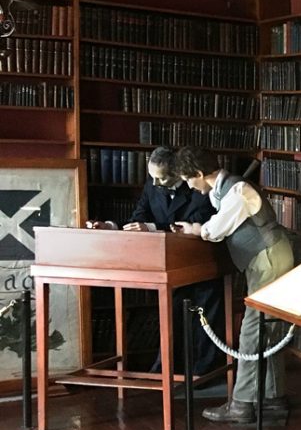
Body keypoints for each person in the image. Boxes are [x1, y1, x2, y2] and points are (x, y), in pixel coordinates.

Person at [173, 146, 293, 423]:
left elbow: (214, 231)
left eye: (189, 180)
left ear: (200, 174)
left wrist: (195, 229)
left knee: (252, 331)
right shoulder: (228, 190)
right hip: (267, 258)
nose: (190, 187)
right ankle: (273, 399)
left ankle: (242, 404)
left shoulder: (237, 192)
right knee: (268, 329)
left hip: (269, 259)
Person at [85, 146, 224, 376]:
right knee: (173, 320)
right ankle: (169, 371)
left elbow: (196, 221)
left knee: (204, 323)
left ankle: (205, 373)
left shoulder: (200, 188)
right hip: (168, 266)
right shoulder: (153, 184)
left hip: (200, 262)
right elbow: (139, 216)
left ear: (178, 173)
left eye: (162, 178)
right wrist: (111, 226)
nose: (156, 183)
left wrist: (151, 227)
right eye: (153, 177)